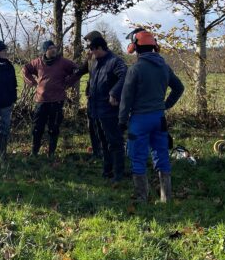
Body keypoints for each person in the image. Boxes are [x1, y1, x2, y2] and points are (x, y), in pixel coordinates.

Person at [119, 29, 184, 203]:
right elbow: (179, 88)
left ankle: (141, 197)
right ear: (154, 46)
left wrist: (122, 121)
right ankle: (166, 198)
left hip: (140, 119)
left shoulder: (135, 69)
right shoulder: (164, 66)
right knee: (161, 154)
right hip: (159, 118)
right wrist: (166, 104)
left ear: (134, 48)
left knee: (138, 156)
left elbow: (126, 98)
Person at [22, 40, 79, 157]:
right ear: (45, 51)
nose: (53, 50)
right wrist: (32, 82)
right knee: (37, 128)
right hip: (41, 101)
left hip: (57, 100)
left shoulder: (63, 62)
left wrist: (68, 82)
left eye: (54, 48)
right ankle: (34, 153)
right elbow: (25, 70)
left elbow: (76, 70)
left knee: (54, 128)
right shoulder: (37, 62)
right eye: (50, 48)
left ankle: (51, 153)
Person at [82, 36, 128, 181]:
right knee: (103, 141)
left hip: (110, 110)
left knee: (114, 142)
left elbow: (125, 76)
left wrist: (114, 93)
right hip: (96, 109)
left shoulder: (115, 61)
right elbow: (92, 80)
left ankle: (118, 173)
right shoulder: (95, 63)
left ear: (100, 48)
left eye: (93, 50)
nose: (91, 53)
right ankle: (107, 170)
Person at [76, 30, 104, 158]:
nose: (88, 46)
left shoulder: (106, 57)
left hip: (104, 98)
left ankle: (105, 152)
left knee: (102, 126)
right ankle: (96, 152)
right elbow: (81, 70)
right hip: (91, 96)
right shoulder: (90, 57)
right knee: (91, 125)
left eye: (89, 43)